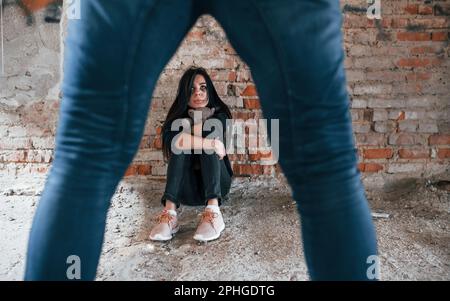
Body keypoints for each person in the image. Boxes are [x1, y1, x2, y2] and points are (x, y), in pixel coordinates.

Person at [24, 0, 378, 280]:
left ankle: (206, 211)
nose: (198, 92)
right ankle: (179, 212)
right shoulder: (183, 115)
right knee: (325, 164)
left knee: (85, 162)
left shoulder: (217, 115)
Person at [149, 66, 233, 242]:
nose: (198, 93)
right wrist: (212, 143)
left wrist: (192, 137)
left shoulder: (221, 115)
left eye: (203, 88)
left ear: (209, 91)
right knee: (185, 143)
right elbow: (177, 143)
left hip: (216, 186)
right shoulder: (175, 121)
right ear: (184, 95)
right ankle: (170, 215)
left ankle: (213, 213)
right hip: (184, 190)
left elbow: (208, 129)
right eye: (192, 89)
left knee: (205, 133)